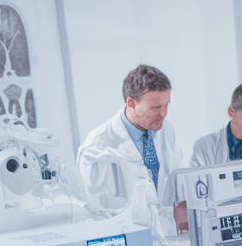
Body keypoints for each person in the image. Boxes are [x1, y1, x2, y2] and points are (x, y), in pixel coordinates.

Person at [77, 64, 184, 209]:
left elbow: (178, 181)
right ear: (131, 103)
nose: (163, 114)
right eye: (156, 107)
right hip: (128, 230)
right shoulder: (96, 148)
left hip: (166, 227)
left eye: (166, 105)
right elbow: (99, 212)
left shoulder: (166, 129)